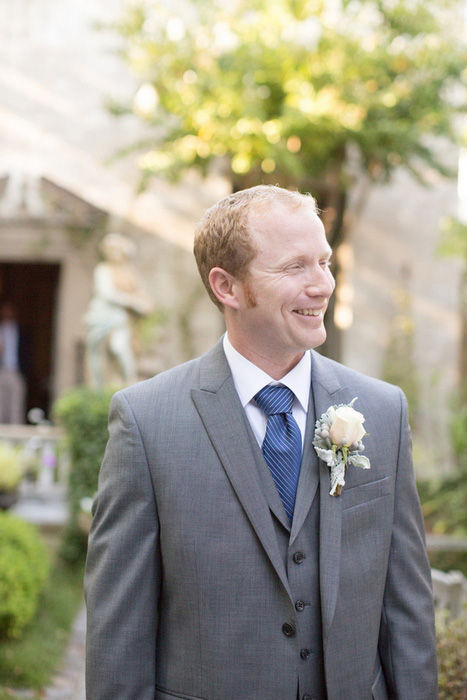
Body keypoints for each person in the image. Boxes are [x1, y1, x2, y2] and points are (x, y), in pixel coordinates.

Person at [85, 185, 437, 700]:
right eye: (295, 267)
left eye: (324, 262)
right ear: (227, 286)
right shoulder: (146, 421)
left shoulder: (382, 411)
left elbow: (407, 608)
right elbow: (118, 632)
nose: (322, 285)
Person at [84, 233, 154, 389]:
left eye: (115, 249)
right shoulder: (103, 269)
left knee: (120, 348)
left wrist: (142, 303)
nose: (112, 253)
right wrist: (132, 302)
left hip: (120, 317)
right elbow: (106, 293)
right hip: (102, 314)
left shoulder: (129, 273)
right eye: (109, 250)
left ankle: (129, 384)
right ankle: (97, 388)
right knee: (96, 351)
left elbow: (141, 292)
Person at [0, 301, 27, 424]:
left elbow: (26, 352)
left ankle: (16, 432)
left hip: (16, 370)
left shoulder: (21, 331)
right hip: (1, 369)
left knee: (16, 403)